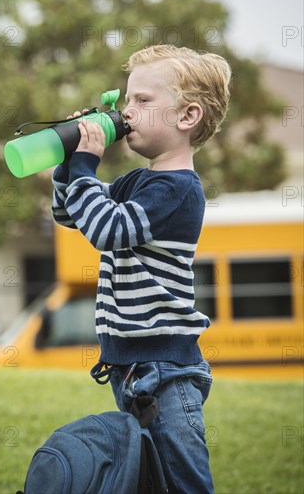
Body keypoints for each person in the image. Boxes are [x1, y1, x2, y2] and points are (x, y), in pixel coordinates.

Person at [51, 44, 231, 493]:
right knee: (146, 480)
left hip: (166, 371)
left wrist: (87, 167)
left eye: (143, 101)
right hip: (131, 368)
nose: (127, 112)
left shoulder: (178, 190)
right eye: (127, 100)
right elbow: (71, 215)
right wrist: (68, 164)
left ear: (187, 117)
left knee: (184, 481)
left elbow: (108, 229)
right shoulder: (139, 182)